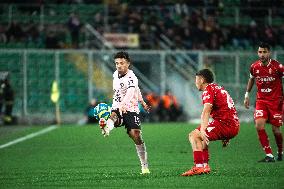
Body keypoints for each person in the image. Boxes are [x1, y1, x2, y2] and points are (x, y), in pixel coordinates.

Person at [99, 51, 151, 174]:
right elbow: (134, 90)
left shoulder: (132, 78)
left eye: (122, 63)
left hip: (131, 108)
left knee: (135, 135)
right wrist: (141, 102)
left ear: (128, 63)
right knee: (114, 115)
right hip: (118, 106)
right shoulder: (115, 74)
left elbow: (132, 91)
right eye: (116, 63)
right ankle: (106, 128)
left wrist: (139, 103)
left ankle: (144, 166)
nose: (119, 65)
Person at [181, 69, 240, 176]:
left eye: (196, 79)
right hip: (231, 124)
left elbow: (206, 111)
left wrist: (203, 129)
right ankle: (205, 166)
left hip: (225, 124)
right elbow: (228, 108)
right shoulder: (219, 88)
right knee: (202, 137)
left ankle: (198, 167)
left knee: (194, 135)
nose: (195, 82)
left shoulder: (208, 90)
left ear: (202, 80)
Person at [244, 42, 284, 162]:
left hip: (276, 101)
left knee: (276, 130)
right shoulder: (254, 67)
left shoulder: (278, 67)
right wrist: (247, 95)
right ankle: (269, 155)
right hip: (261, 100)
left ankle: (280, 151)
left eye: (264, 52)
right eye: (260, 52)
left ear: (269, 53)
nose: (262, 54)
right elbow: (251, 79)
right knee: (259, 125)